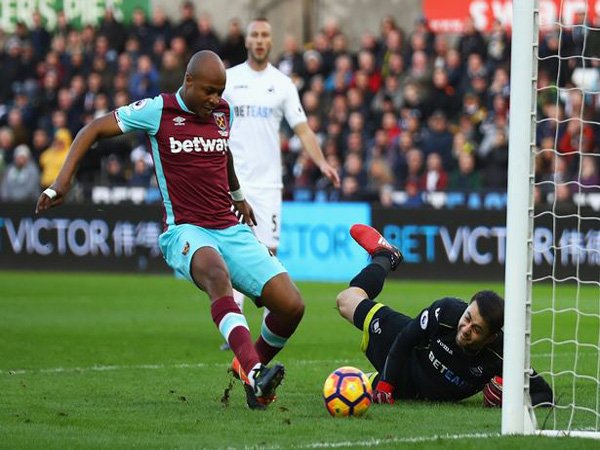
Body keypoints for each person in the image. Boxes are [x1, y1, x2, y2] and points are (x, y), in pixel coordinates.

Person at [35, 50, 305, 410]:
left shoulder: (223, 112)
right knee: (215, 272)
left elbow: (223, 154)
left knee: (291, 305)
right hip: (185, 230)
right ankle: (256, 374)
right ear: (188, 81)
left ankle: (246, 367)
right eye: (209, 91)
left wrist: (237, 196)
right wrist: (62, 183)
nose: (215, 99)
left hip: (228, 224)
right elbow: (93, 129)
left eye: (220, 91)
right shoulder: (156, 110)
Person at [336, 223, 553, 406]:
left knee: (344, 388)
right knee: (345, 301)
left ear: (491, 337)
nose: (466, 329)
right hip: (406, 353)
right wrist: (386, 383)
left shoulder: (505, 355)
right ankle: (385, 256)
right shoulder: (447, 312)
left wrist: (509, 397)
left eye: (476, 329)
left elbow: (545, 395)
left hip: (414, 390)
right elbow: (405, 340)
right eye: (468, 318)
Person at [222, 18, 340, 345]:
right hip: (233, 181)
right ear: (247, 41)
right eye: (254, 35)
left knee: (268, 254)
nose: (259, 40)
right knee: (232, 254)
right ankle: (237, 329)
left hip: (268, 185)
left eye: (264, 35)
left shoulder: (283, 84)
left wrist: (322, 162)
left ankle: (266, 330)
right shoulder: (229, 80)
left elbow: (302, 129)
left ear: (270, 42)